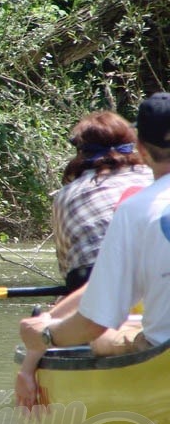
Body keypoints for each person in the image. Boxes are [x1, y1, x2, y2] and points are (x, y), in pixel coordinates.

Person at [16, 92, 170, 410]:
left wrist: (44, 335)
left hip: (103, 295)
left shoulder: (132, 209)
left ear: (142, 149)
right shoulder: (139, 191)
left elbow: (91, 313)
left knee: (104, 334)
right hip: (118, 289)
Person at [52, 111, 154, 291]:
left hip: (95, 287)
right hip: (156, 278)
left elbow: (67, 269)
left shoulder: (66, 195)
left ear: (81, 151)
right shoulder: (155, 178)